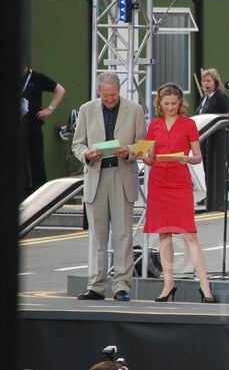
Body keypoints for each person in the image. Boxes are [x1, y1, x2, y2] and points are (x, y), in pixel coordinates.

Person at [72, 72, 145, 302]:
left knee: (123, 233)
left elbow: (143, 144)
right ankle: (96, 285)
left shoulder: (135, 110)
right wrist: (86, 153)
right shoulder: (86, 109)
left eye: (113, 95)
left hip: (122, 174)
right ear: (98, 92)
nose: (109, 99)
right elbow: (77, 143)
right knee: (97, 235)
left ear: (119, 90)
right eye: (105, 95)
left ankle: (122, 285)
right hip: (96, 175)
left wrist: (130, 151)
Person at [141, 83, 217, 303]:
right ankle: (168, 284)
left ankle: (205, 286)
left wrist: (187, 159)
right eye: (166, 104)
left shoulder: (189, 124)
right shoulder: (154, 125)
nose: (171, 107)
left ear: (180, 103)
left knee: (188, 234)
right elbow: (151, 158)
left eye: (174, 103)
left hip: (179, 181)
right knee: (164, 234)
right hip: (158, 182)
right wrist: (138, 155)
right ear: (160, 104)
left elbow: (197, 155)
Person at [21, 61, 66, 196]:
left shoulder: (37, 77)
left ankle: (40, 190)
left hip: (33, 124)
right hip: (17, 126)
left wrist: (49, 109)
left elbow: (60, 90)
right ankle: (23, 191)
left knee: (36, 158)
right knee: (19, 159)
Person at [195, 68, 229, 207]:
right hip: (205, 140)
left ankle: (217, 198)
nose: (205, 84)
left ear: (216, 82)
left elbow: (228, 114)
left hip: (217, 139)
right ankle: (209, 196)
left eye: (208, 81)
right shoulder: (204, 99)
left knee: (216, 169)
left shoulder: (220, 97)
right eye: (203, 81)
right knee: (207, 169)